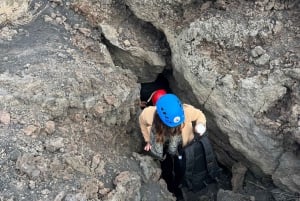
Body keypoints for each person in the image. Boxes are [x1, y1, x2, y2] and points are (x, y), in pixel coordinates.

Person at [138, 93, 207, 196]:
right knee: (166, 166)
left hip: (179, 144)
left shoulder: (186, 111)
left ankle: (178, 183)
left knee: (181, 165)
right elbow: (142, 122)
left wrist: (200, 124)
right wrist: (147, 140)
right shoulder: (149, 114)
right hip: (160, 138)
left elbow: (199, 115)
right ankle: (168, 181)